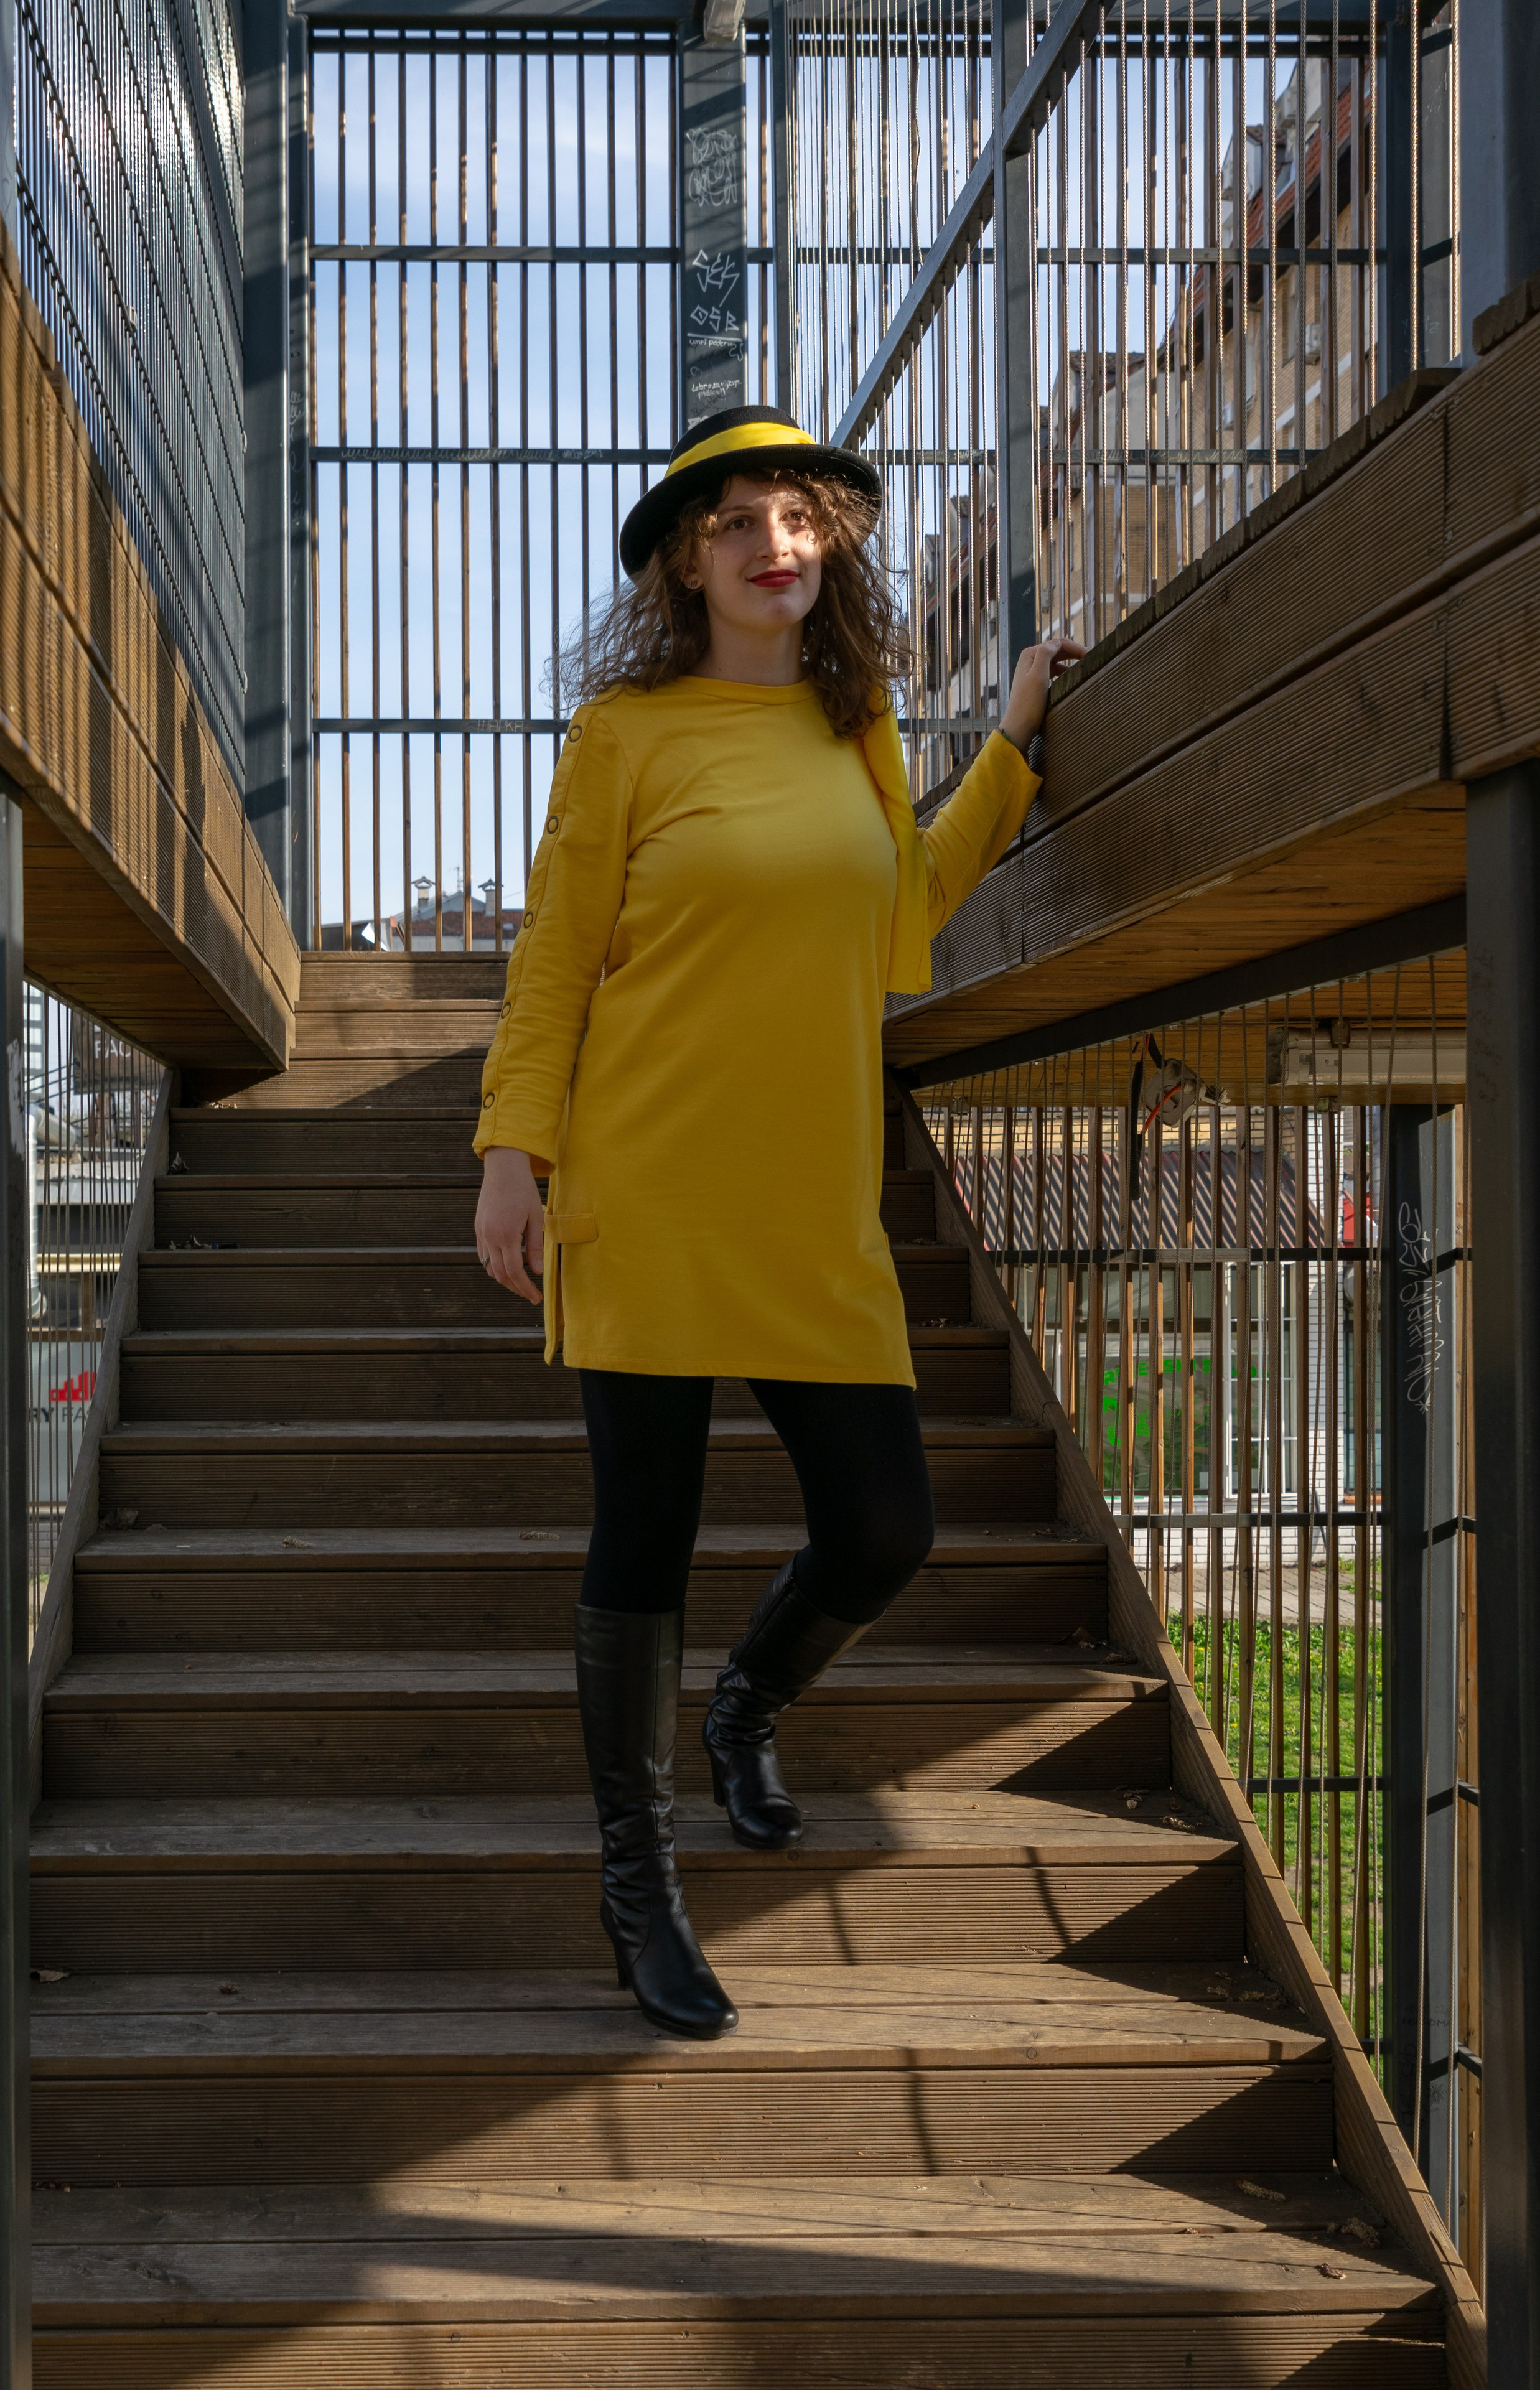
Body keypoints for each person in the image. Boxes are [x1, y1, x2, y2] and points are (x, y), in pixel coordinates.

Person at [473, 402, 1081, 2042]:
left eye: (798, 515)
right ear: (686, 560)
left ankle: (744, 1707)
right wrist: (513, 1149)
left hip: (814, 1205)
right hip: (648, 1189)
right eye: (735, 520)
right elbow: (554, 957)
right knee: (645, 1538)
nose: (773, 542)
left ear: (834, 545)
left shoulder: (856, 725)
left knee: (884, 1528)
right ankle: (640, 1884)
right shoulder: (626, 736)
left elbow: (909, 909)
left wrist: (1011, 746)